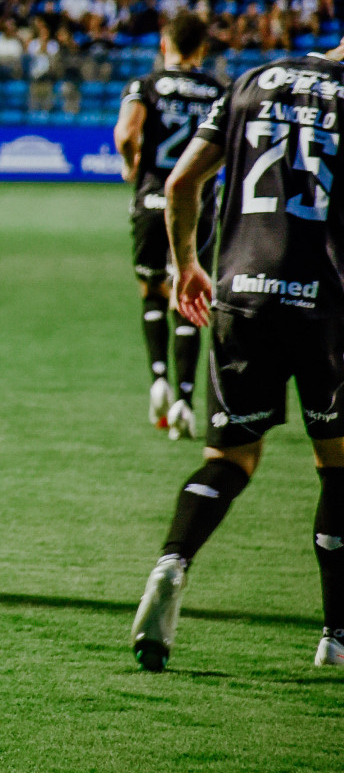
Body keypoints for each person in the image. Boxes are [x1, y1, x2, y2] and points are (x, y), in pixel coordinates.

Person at [131, 43, 344, 672]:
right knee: (337, 462)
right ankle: (335, 635)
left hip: (241, 298)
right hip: (327, 306)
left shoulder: (252, 80)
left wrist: (188, 264)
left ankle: (173, 563)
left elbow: (181, 182)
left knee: (229, 458)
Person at [113, 11, 223, 439]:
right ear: (202, 49)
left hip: (151, 198)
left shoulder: (145, 85)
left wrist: (130, 165)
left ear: (165, 44)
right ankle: (184, 401)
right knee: (190, 293)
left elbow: (126, 134)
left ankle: (157, 377)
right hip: (196, 206)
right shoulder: (218, 91)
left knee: (152, 287)